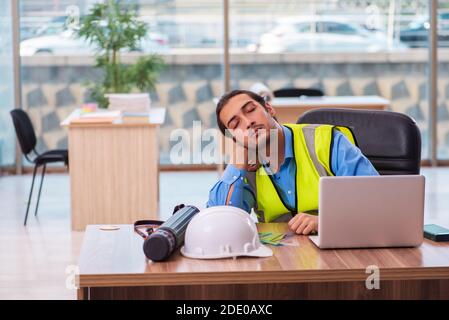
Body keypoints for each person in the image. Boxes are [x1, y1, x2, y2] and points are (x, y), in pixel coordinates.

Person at [207, 89, 379, 235]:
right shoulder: (244, 168)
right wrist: (238, 160)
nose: (248, 122)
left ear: (269, 108)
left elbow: (375, 200)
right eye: (236, 125)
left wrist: (327, 222)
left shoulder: (327, 141)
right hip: (281, 259)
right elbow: (221, 225)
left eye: (251, 110)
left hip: (342, 248)